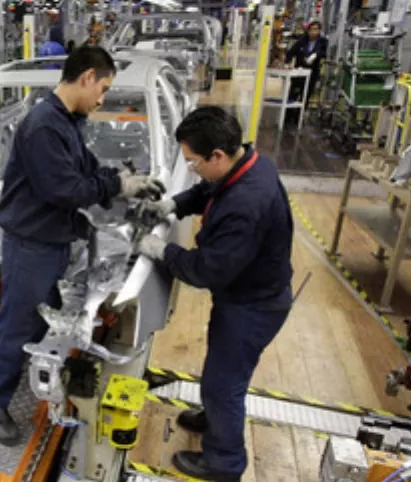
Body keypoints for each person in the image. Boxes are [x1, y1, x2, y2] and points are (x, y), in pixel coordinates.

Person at [0, 45, 165, 446]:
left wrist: (124, 179)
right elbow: (64, 189)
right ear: (86, 78)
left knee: (42, 316)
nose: (102, 98)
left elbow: (84, 168)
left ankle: (31, 371)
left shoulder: (67, 121)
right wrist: (116, 186)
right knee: (18, 323)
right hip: (32, 244)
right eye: (103, 88)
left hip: (54, 239)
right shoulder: (44, 125)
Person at [137, 107, 293, 481]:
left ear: (218, 155)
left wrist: (162, 251)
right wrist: (173, 205)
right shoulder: (250, 164)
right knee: (222, 372)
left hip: (253, 305)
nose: (192, 168)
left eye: (193, 162)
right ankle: (215, 419)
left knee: (224, 385)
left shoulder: (245, 206)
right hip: (249, 294)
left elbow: (207, 270)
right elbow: (209, 187)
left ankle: (224, 463)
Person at [285, 20, 328, 107]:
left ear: (319, 31)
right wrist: (287, 62)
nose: (313, 32)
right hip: (299, 72)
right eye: (311, 30)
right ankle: (288, 116)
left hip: (312, 73)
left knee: (305, 96)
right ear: (308, 31)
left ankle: (299, 116)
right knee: (293, 94)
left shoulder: (323, 41)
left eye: (316, 29)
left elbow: (323, 52)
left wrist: (315, 55)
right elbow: (291, 52)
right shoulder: (302, 40)